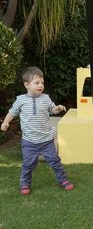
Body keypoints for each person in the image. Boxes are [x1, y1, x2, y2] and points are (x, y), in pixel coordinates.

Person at [0, 66, 74, 195]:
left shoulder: (45, 98)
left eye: (42, 83)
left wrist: (58, 108)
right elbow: (11, 112)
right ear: (27, 85)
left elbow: (52, 110)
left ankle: (63, 180)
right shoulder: (21, 100)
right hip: (29, 142)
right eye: (37, 83)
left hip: (46, 140)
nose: (41, 85)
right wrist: (6, 122)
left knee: (55, 161)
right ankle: (25, 184)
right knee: (28, 164)